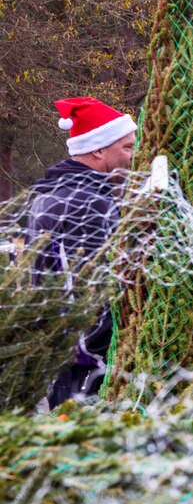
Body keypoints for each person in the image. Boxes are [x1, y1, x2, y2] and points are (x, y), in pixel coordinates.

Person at [28, 97, 137, 406]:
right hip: (87, 363)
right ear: (98, 149)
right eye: (127, 148)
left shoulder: (61, 192)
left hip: (66, 359)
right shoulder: (84, 202)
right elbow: (90, 288)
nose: (133, 156)